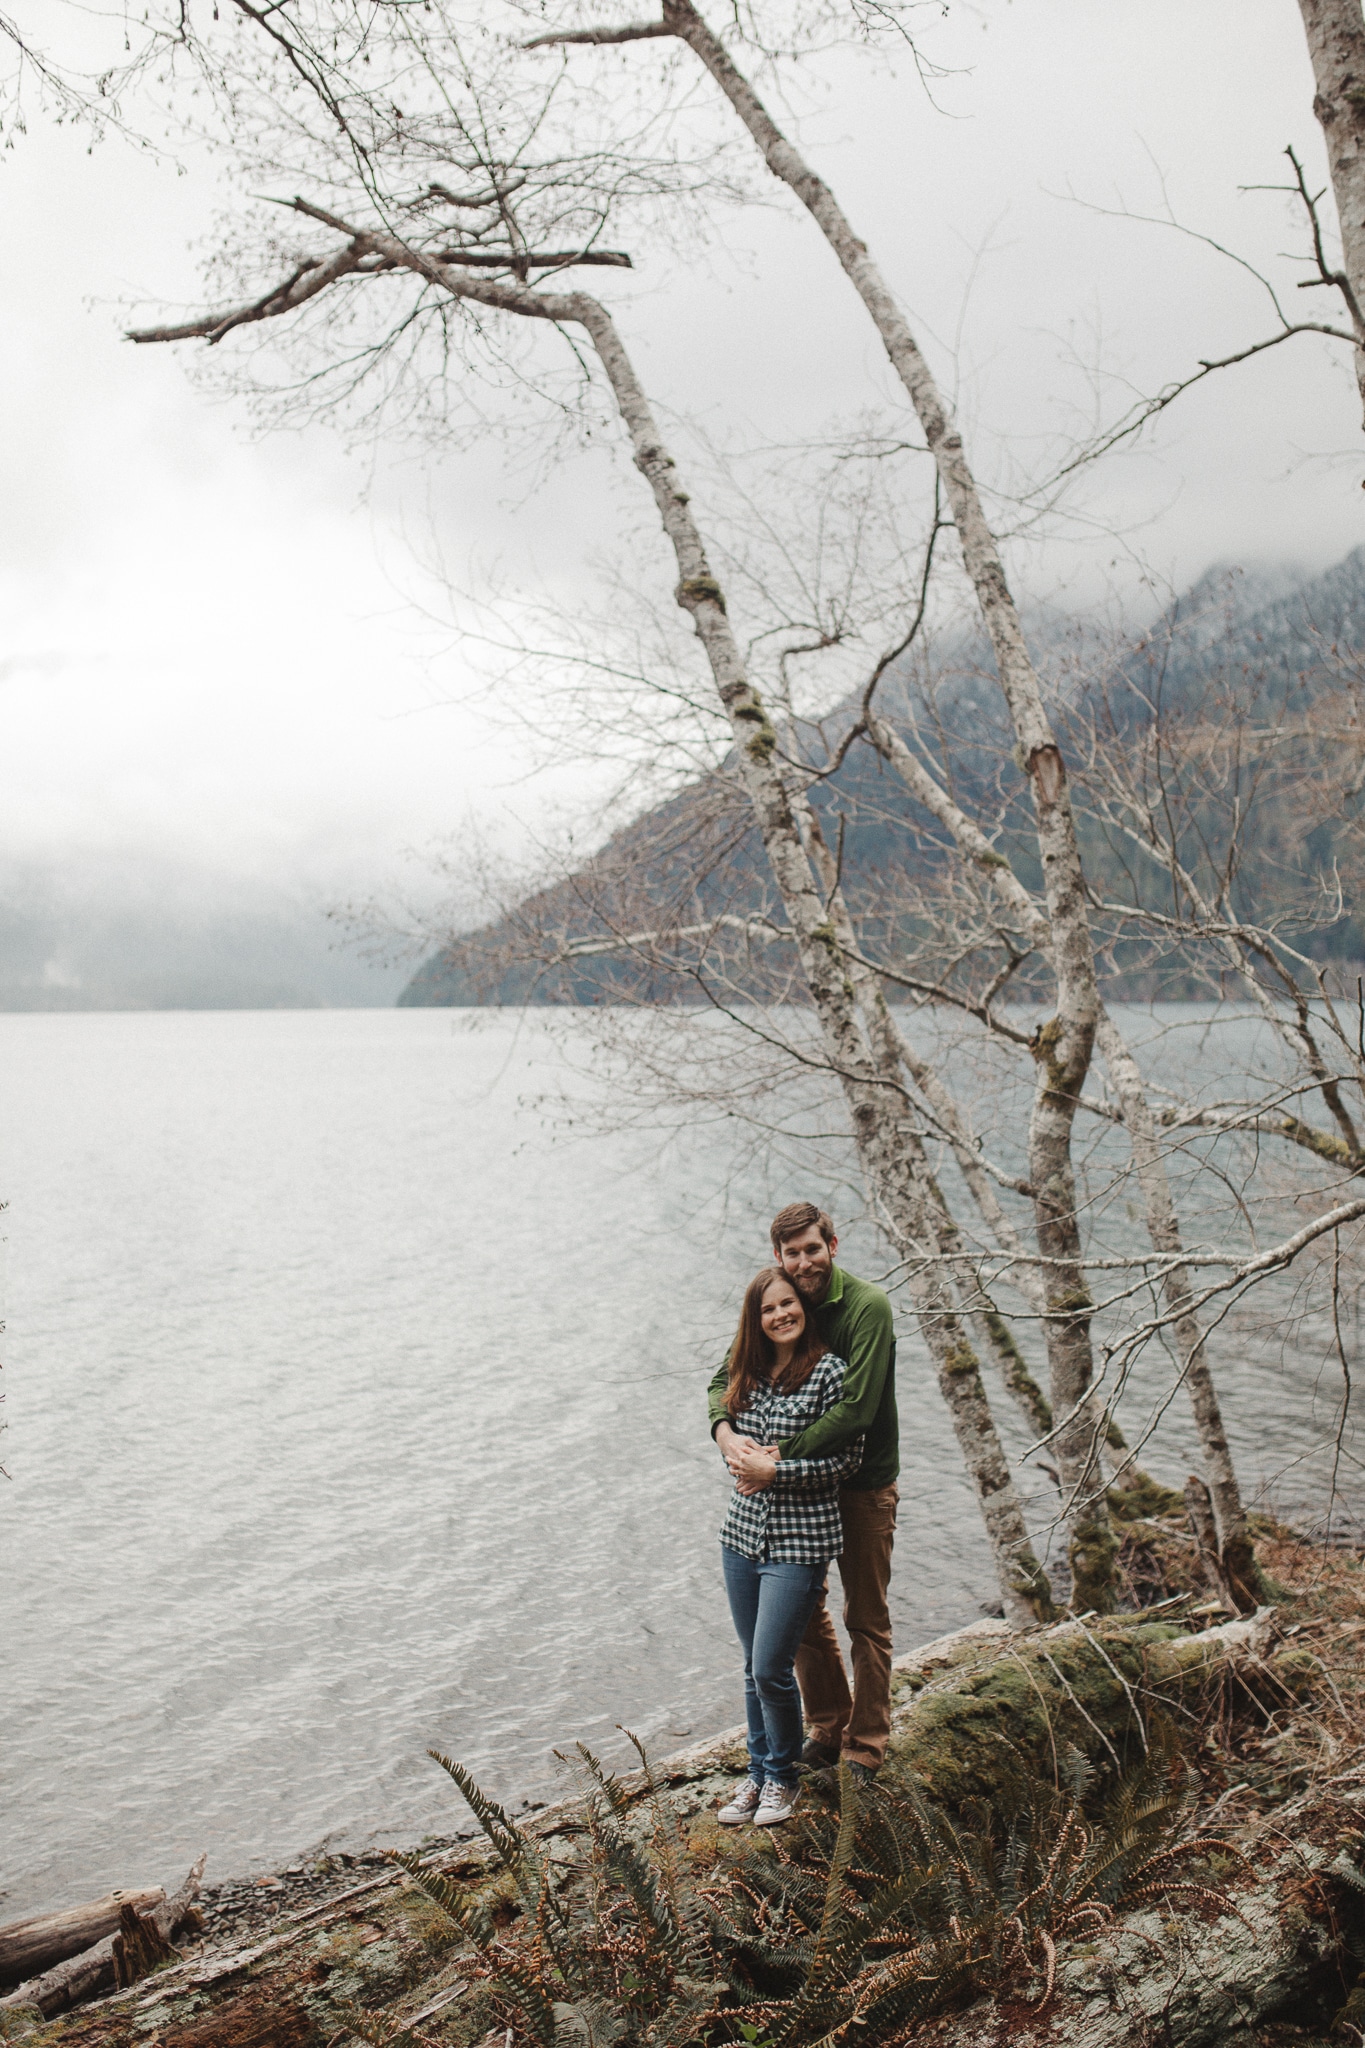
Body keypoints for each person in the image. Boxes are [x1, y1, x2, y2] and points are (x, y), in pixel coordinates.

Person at [708, 1203, 898, 1782]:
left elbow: (856, 1411)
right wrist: (726, 1434)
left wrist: (775, 1460)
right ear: (779, 1258)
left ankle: (866, 1742)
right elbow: (724, 1380)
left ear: (832, 1246)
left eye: (813, 1248)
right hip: (797, 1498)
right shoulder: (781, 1303)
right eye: (793, 1253)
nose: (804, 1261)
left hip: (861, 1487)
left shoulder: (867, 1308)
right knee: (803, 1616)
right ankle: (828, 1722)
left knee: (865, 1617)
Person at [713, 1266, 864, 1829]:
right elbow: (732, 1441)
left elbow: (845, 1460)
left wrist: (777, 1471)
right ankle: (757, 1773)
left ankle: (782, 1778)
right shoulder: (745, 1373)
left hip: (800, 1543)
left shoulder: (829, 1373)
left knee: (772, 1665)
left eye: (787, 1305)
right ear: (755, 1320)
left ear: (802, 1307)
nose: (780, 1316)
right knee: (751, 1668)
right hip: (741, 1536)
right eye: (768, 1309)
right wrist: (734, 1450)